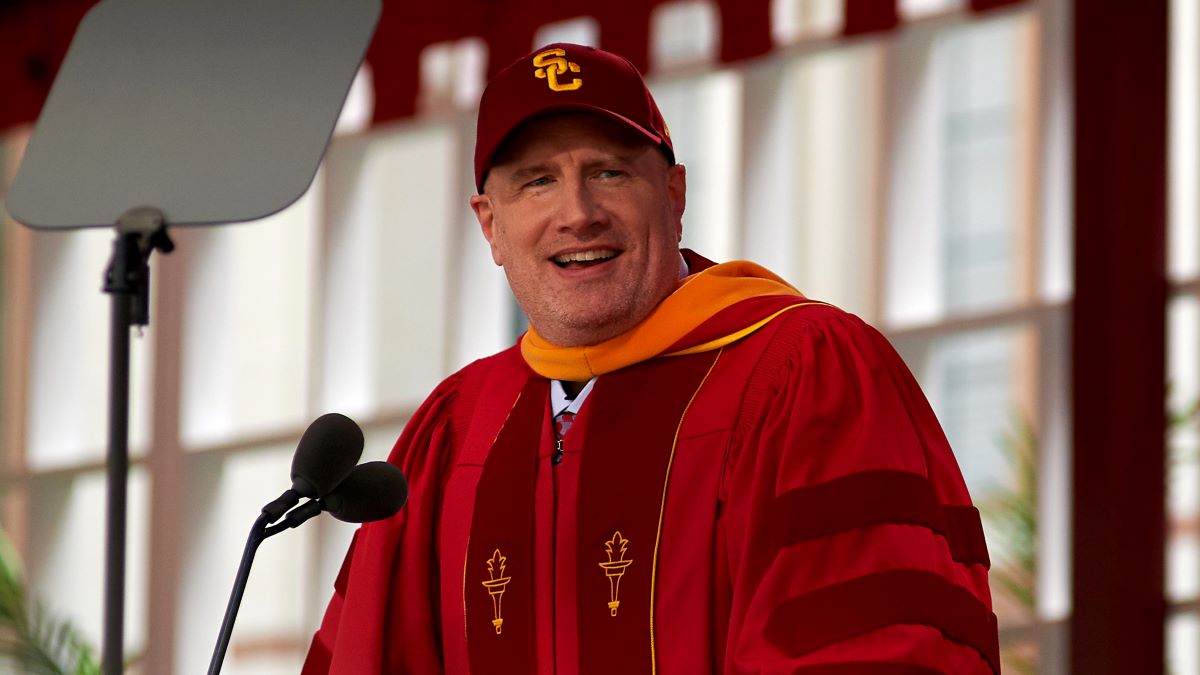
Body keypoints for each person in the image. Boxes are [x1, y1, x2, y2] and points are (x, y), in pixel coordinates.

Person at [302, 43, 998, 675]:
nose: (578, 213)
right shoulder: (455, 428)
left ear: (674, 196)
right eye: (538, 182)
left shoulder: (803, 373)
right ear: (491, 224)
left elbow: (873, 651)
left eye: (609, 172)